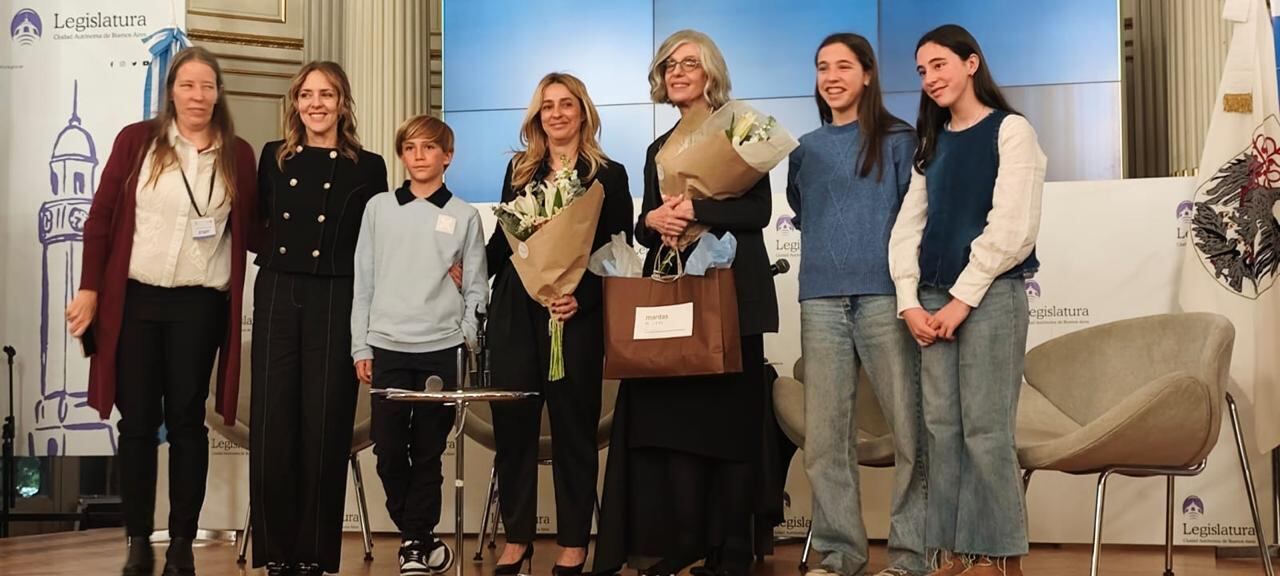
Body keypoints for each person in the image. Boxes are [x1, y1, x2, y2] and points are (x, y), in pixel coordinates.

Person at [65, 46, 257, 576]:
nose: (198, 96)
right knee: (138, 424)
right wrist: (89, 289)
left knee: (189, 423)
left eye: (208, 86)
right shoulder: (137, 141)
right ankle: (136, 540)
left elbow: (258, 230)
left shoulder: (237, 154)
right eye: (188, 85)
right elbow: (101, 218)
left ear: (219, 94)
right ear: (171, 90)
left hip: (200, 304)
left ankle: (180, 546)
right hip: (137, 300)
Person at [595, 29, 777, 576]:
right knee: (676, 427)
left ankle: (734, 548)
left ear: (710, 72)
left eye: (689, 63)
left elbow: (758, 215)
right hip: (674, 303)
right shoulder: (657, 149)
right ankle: (686, 540)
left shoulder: (743, 131)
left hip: (732, 297)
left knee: (731, 426)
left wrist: (699, 211)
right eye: (669, 65)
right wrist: (651, 221)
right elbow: (645, 228)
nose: (677, 72)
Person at [888, 24, 1046, 576]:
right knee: (942, 431)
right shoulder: (931, 143)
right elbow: (908, 227)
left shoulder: (1011, 130)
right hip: (931, 301)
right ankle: (949, 554)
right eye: (922, 70)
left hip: (991, 297)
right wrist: (909, 301)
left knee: (985, 429)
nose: (930, 78)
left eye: (940, 65)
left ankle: (997, 557)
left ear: (971, 63)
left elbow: (1012, 229)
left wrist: (960, 299)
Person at [787, 33, 925, 576]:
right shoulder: (802, 149)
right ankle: (841, 552)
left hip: (886, 297)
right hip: (819, 299)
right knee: (825, 439)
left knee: (911, 431)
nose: (832, 76)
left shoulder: (899, 140)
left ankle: (913, 556)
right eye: (822, 67)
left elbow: (913, 219)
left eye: (844, 66)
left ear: (867, 75)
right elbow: (804, 211)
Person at [486, 71, 633, 576]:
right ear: (536, 116)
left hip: (575, 317)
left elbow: (616, 253)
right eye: (546, 105)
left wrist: (581, 297)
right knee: (514, 428)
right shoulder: (519, 171)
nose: (556, 113)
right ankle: (517, 539)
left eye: (566, 104)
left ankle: (573, 542)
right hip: (515, 312)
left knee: (573, 431)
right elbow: (505, 242)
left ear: (583, 112)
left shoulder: (608, 175)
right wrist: (461, 265)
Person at [249, 61, 389, 576]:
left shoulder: (369, 166)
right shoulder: (272, 157)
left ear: (343, 102)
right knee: (272, 424)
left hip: (338, 293)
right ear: (295, 103)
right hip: (280, 290)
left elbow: (377, 246)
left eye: (326, 94)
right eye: (306, 95)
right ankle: (276, 553)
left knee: (325, 424)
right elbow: (254, 222)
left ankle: (311, 554)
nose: (315, 103)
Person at [352, 115, 488, 576]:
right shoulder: (379, 209)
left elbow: (477, 288)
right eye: (410, 147)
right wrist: (360, 347)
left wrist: (464, 336)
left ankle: (412, 546)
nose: (419, 156)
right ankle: (421, 537)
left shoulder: (466, 216)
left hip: (442, 349)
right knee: (389, 448)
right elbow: (363, 284)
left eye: (429, 148)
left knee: (429, 450)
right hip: (387, 345)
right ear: (401, 154)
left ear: (447, 156)